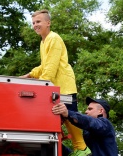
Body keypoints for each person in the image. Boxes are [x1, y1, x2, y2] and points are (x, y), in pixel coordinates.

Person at [20, 9, 91, 156]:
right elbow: (44, 65)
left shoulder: (54, 38)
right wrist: (30, 75)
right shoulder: (43, 41)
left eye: (38, 21)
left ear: (48, 23)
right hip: (55, 87)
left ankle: (83, 150)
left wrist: (39, 86)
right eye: (33, 23)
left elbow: (51, 68)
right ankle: (76, 150)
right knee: (58, 120)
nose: (35, 25)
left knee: (70, 118)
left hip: (64, 86)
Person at [52, 97, 118, 156]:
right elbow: (82, 153)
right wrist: (55, 145)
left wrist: (68, 113)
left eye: (90, 109)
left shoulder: (105, 124)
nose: (86, 111)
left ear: (100, 111)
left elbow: (90, 122)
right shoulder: (90, 132)